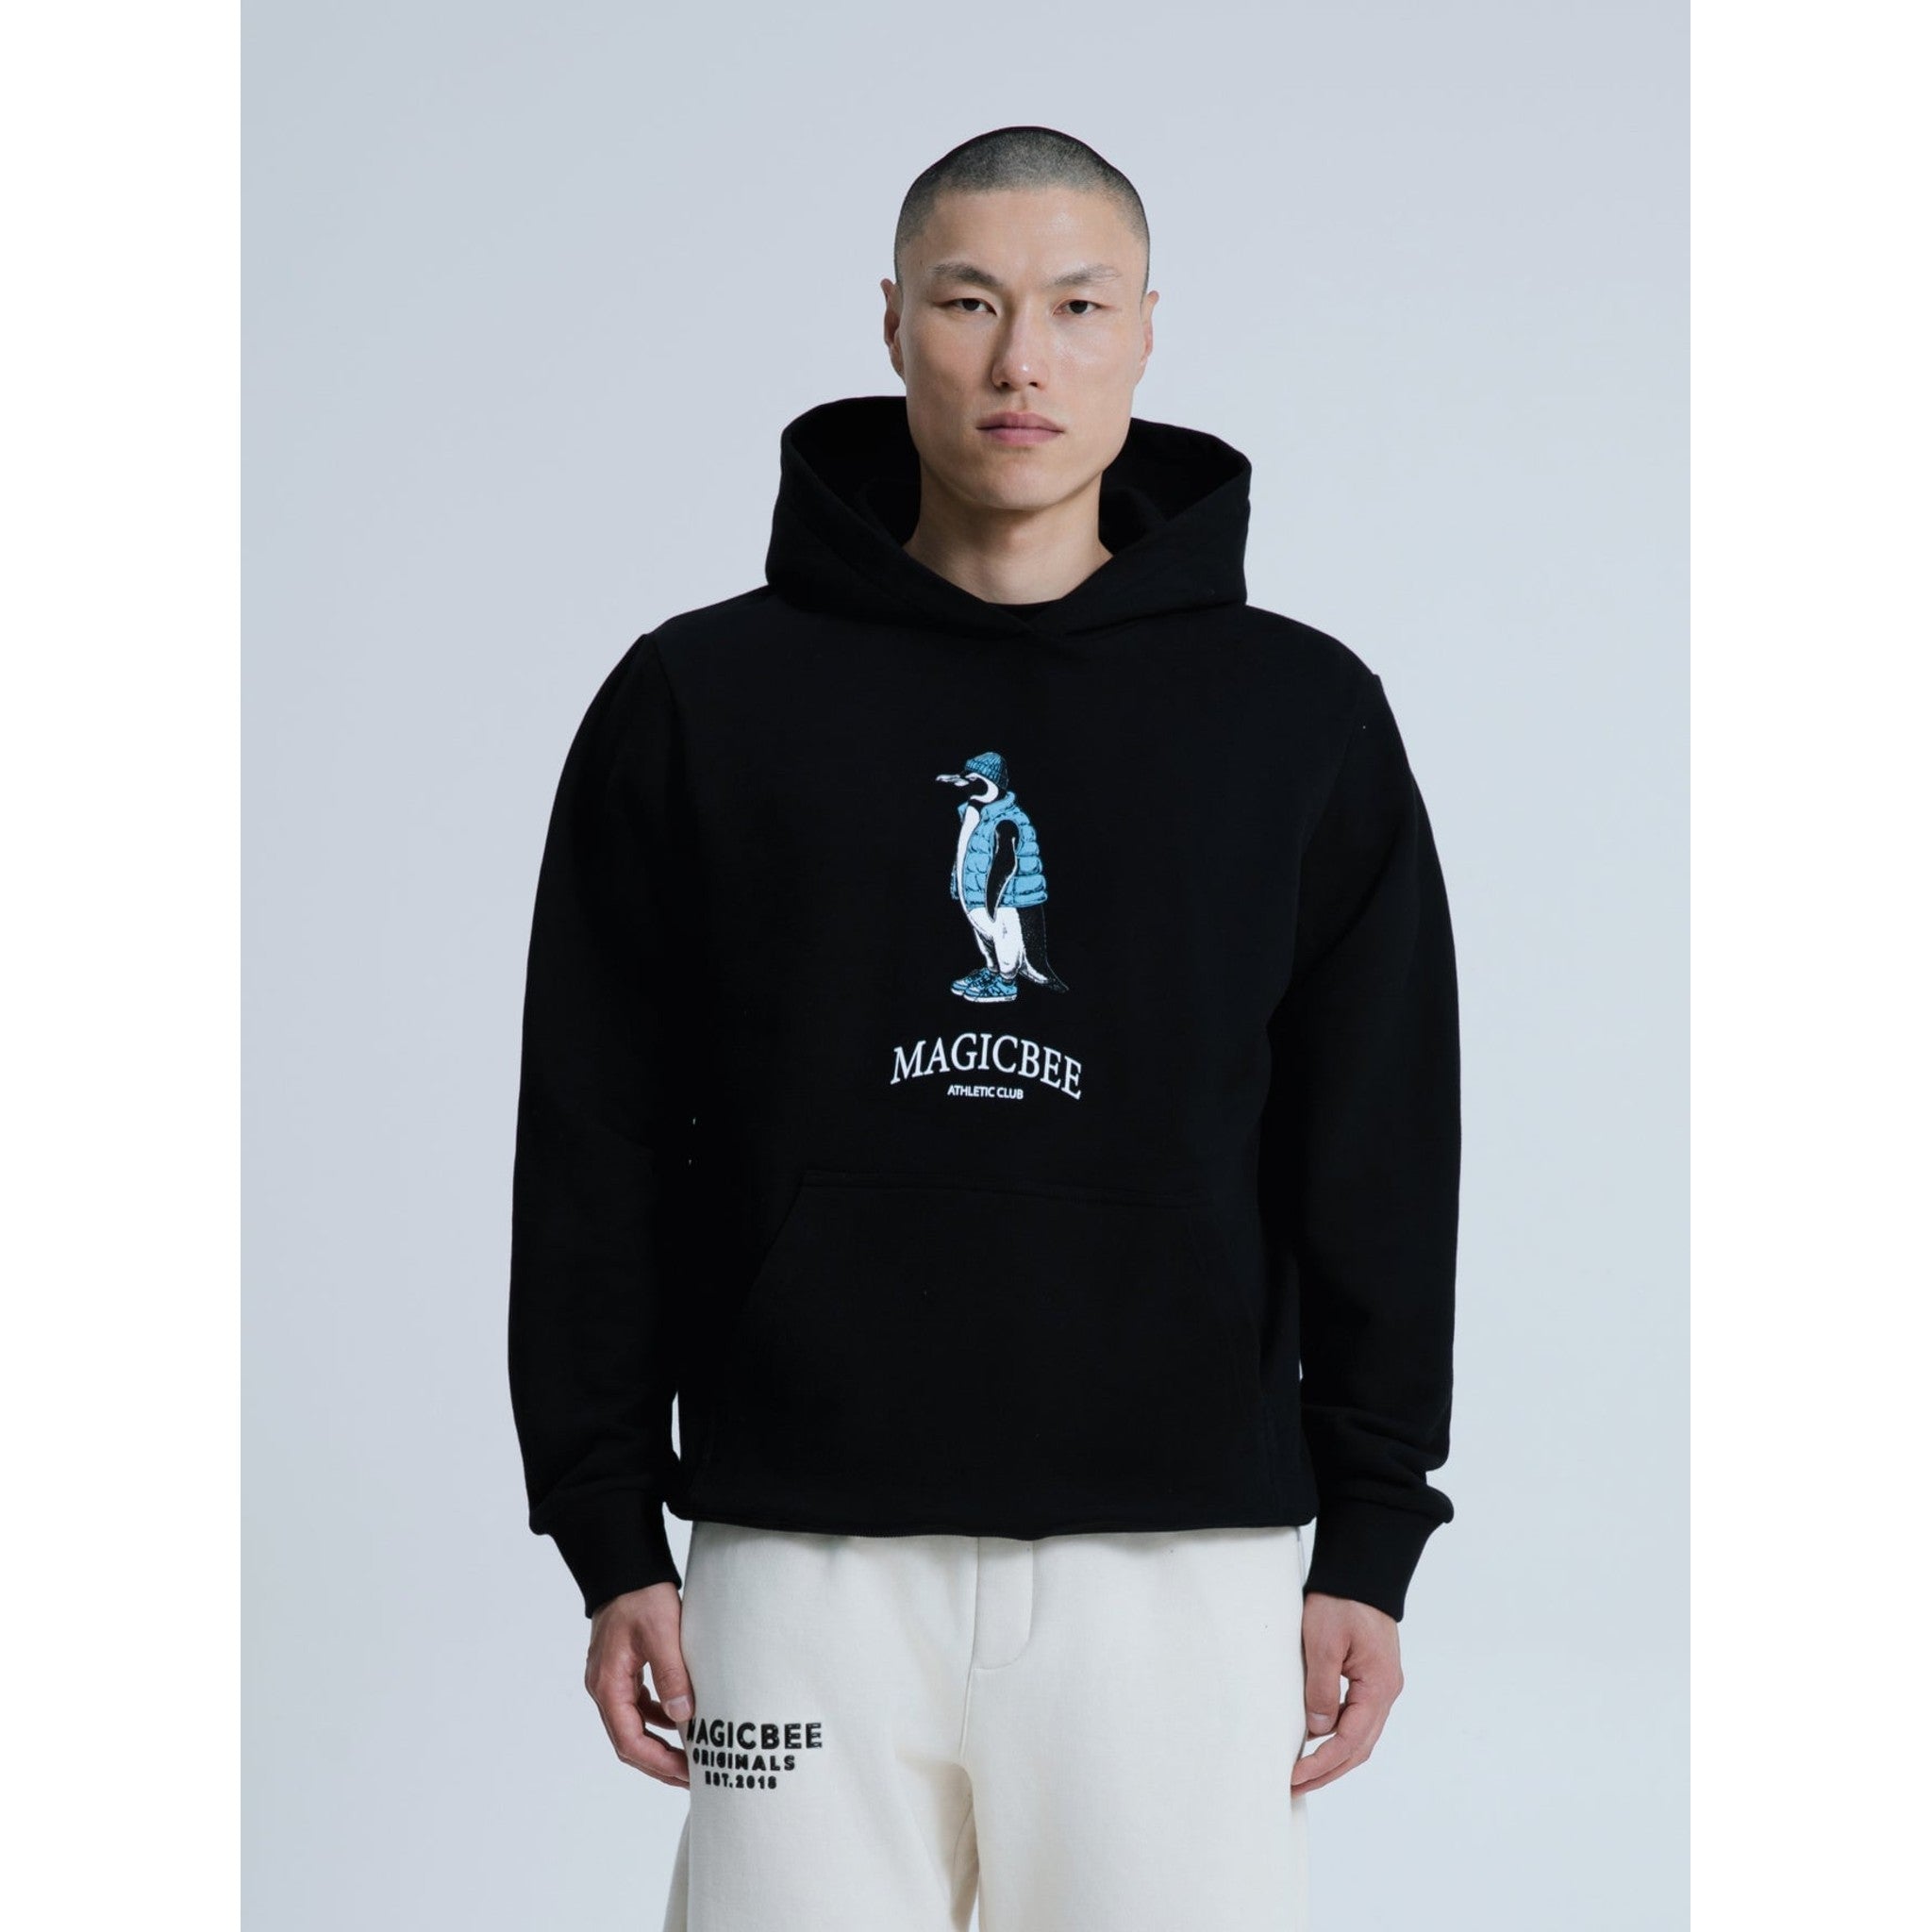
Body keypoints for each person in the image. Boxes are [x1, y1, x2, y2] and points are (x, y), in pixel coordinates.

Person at [508, 125, 1460, 1932]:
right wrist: (609, 1523)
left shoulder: (1300, 717)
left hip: (1179, 1569)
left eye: (1078, 307)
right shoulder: (700, 700)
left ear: (1149, 330)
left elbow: (1378, 1148)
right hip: (794, 1563)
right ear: (891, 324)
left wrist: (1373, 1531)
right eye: (969, 303)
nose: (1024, 360)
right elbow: (599, 1134)